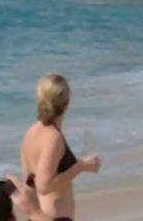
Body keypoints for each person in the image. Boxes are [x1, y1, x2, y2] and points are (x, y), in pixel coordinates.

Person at [19, 74, 99, 221]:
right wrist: (81, 166)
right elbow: (44, 186)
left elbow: (30, 181)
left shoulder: (31, 132)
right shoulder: (52, 137)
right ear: (66, 102)